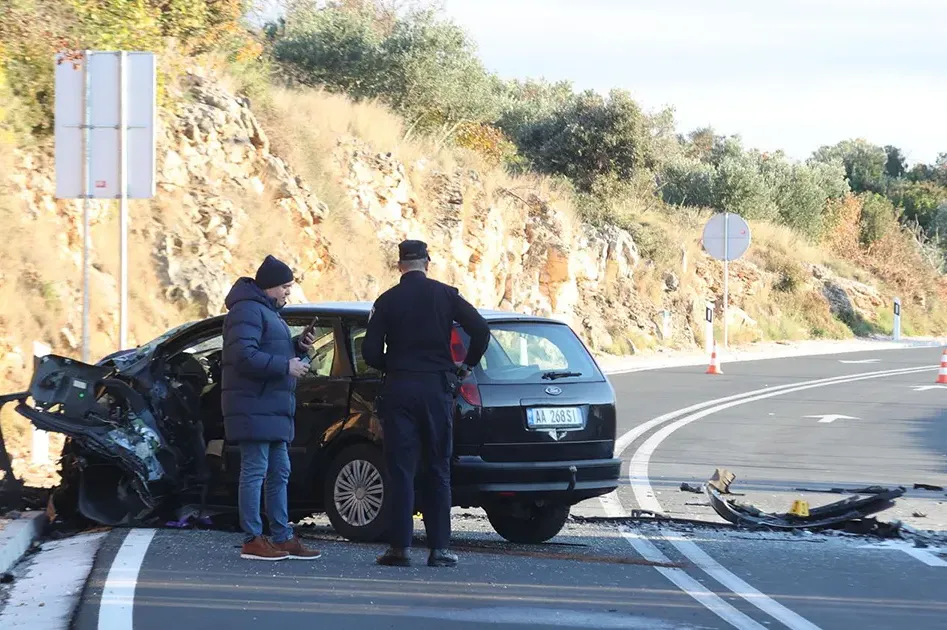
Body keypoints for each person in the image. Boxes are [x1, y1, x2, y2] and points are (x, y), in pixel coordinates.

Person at [361, 239, 490, 568]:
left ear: (400, 265)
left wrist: (394, 364)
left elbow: (371, 353)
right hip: (436, 388)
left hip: (400, 388)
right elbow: (480, 329)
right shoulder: (447, 295)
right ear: (427, 262)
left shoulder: (386, 301)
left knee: (401, 470)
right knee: (438, 468)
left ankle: (400, 547)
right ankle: (440, 549)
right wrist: (465, 366)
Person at [221, 254, 322, 561]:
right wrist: (285, 366)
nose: (287, 293)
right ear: (269, 286)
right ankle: (253, 538)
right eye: (285, 287)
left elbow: (265, 349)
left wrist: (297, 346)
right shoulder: (247, 311)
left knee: (280, 471)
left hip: (271, 407)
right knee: (255, 470)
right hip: (254, 405)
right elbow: (244, 356)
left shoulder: (266, 311)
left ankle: (282, 536)